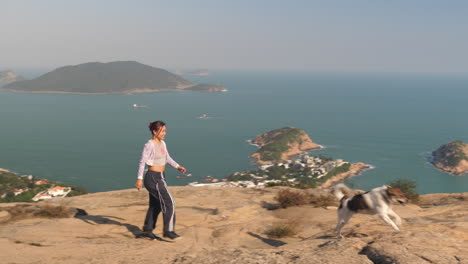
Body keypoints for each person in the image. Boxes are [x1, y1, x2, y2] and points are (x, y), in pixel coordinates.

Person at [134, 120, 186, 240]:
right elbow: (142, 162)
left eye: (165, 131)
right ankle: (168, 230)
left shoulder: (163, 143)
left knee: (155, 205)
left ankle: (147, 230)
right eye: (162, 131)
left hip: (161, 176)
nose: (164, 133)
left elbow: (167, 157)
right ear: (154, 131)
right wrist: (139, 179)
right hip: (153, 177)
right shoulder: (150, 144)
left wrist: (177, 166)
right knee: (170, 203)